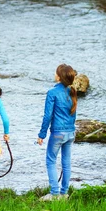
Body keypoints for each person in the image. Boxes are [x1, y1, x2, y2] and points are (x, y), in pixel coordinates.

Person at [37, 64, 78, 201]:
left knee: (50, 161)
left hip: (58, 133)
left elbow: (47, 116)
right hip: (71, 133)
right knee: (66, 162)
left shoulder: (52, 93)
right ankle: (64, 193)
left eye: (56, 73)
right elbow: (73, 114)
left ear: (59, 77)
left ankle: (54, 193)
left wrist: (41, 134)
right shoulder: (72, 91)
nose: (54, 74)